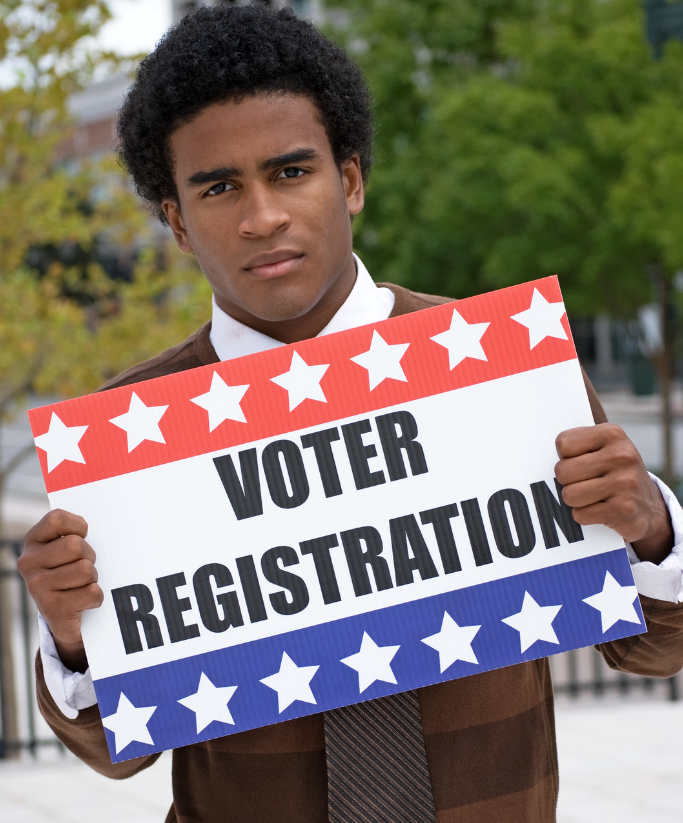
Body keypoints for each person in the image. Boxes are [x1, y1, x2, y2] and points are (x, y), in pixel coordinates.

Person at [18, 5, 683, 822]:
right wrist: (72, 633)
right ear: (178, 224)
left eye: (290, 171)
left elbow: (656, 646)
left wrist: (651, 526)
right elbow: (115, 751)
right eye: (219, 187)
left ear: (352, 180)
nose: (262, 215)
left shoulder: (502, 371)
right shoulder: (127, 436)